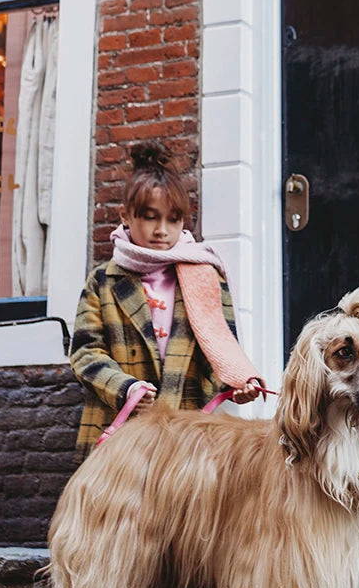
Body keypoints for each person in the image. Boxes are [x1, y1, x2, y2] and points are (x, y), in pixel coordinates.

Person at [70, 139, 262, 460]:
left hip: (185, 439)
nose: (162, 230)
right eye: (150, 217)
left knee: (182, 511)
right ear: (126, 215)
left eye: (173, 219)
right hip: (122, 435)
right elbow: (85, 353)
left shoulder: (205, 276)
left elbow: (221, 350)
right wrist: (125, 389)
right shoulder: (103, 280)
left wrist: (237, 383)